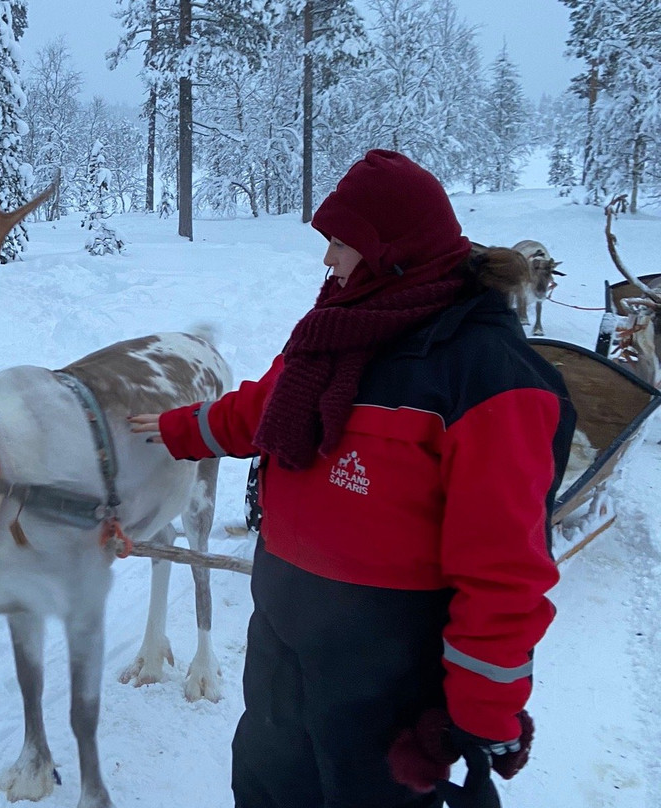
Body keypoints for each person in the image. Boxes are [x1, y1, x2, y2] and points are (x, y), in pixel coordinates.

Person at [129, 149, 576, 808]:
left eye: (341, 243)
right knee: (266, 783)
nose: (327, 260)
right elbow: (263, 410)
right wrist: (177, 431)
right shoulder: (339, 329)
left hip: (387, 666)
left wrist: (483, 712)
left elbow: (505, 570)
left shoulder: (486, 376)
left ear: (391, 249)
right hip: (282, 634)